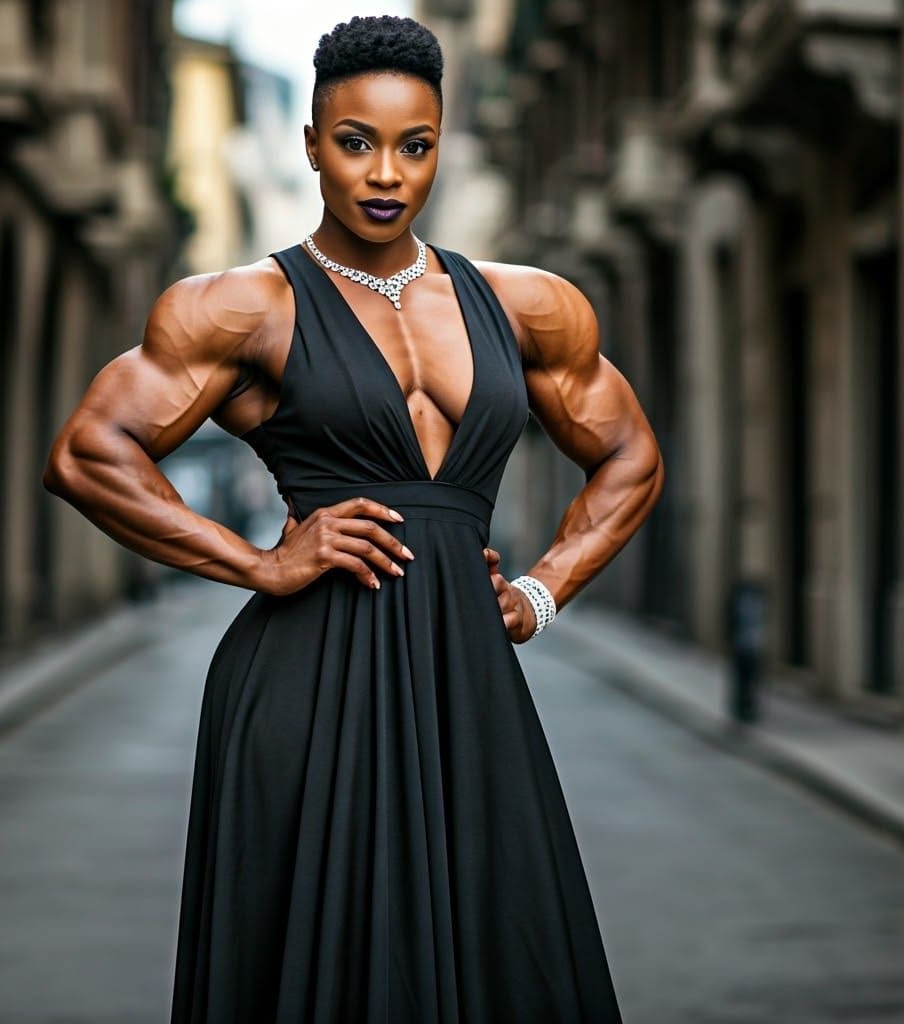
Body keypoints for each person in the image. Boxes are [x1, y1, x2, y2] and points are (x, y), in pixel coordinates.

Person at [44, 14, 662, 1022]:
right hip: (307, 680)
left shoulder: (526, 306)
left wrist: (544, 591)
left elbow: (629, 455)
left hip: (467, 682)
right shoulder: (242, 307)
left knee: (504, 956)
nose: (385, 174)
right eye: (355, 142)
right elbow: (87, 453)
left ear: (438, 146)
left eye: (412, 146)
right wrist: (259, 564)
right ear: (312, 147)